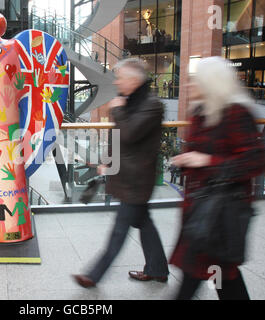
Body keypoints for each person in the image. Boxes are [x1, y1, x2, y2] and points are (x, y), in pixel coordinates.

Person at [170, 56, 265, 300]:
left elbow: (254, 162)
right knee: (217, 276)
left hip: (219, 215)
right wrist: (187, 161)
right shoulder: (202, 113)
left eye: (195, 80)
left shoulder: (235, 113)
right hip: (202, 212)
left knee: (203, 274)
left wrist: (205, 161)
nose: (189, 85)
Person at [73, 58, 169, 288]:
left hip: (136, 180)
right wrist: (107, 161)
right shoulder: (130, 102)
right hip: (127, 175)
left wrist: (117, 109)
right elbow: (119, 139)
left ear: (134, 80)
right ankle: (158, 269)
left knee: (119, 231)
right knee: (144, 223)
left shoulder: (151, 105)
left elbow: (130, 134)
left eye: (120, 78)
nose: (116, 82)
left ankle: (93, 276)